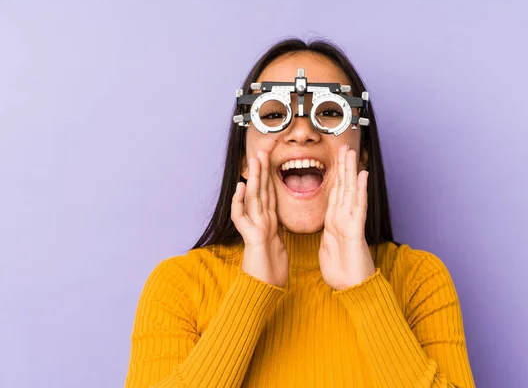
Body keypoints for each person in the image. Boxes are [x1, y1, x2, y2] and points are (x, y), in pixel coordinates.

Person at [124, 38, 475, 387]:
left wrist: (365, 291)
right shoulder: (180, 285)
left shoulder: (418, 281)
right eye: (275, 114)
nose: (304, 131)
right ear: (244, 160)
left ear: (362, 155)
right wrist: (252, 291)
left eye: (330, 112)